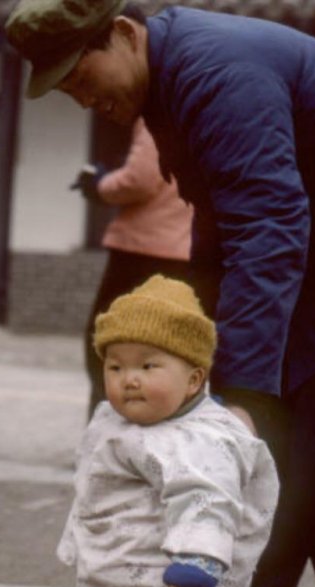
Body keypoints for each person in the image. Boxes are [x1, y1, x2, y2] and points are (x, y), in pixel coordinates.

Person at [6, 0, 315, 587]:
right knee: (270, 465)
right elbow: (217, 222)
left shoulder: (216, 70)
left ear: (124, 33)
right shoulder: (167, 85)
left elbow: (267, 224)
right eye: (65, 90)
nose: (85, 97)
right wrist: (196, 340)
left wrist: (241, 392)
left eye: (83, 74)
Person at [55, 275, 278, 587]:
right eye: (115, 366)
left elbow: (209, 502)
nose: (128, 379)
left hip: (162, 579)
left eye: (148, 366)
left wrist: (196, 567)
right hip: (111, 566)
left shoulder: (197, 441)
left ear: (194, 379)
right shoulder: (115, 420)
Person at [71, 117, 194, 416]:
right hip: (186, 249)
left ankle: (109, 439)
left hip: (141, 248)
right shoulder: (204, 107)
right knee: (164, 355)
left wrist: (100, 184)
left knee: (108, 347)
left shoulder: (160, 112)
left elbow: (139, 178)